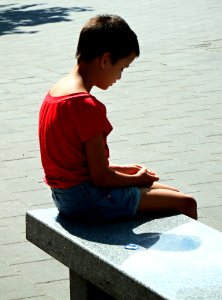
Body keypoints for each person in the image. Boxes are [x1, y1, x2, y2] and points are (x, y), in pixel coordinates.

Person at [38, 14, 197, 221]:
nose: (119, 77)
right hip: (88, 199)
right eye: (122, 68)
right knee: (186, 203)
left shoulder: (56, 92)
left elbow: (78, 166)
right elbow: (100, 177)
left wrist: (127, 172)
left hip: (64, 196)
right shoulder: (85, 106)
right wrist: (135, 179)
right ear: (105, 60)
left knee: (172, 192)